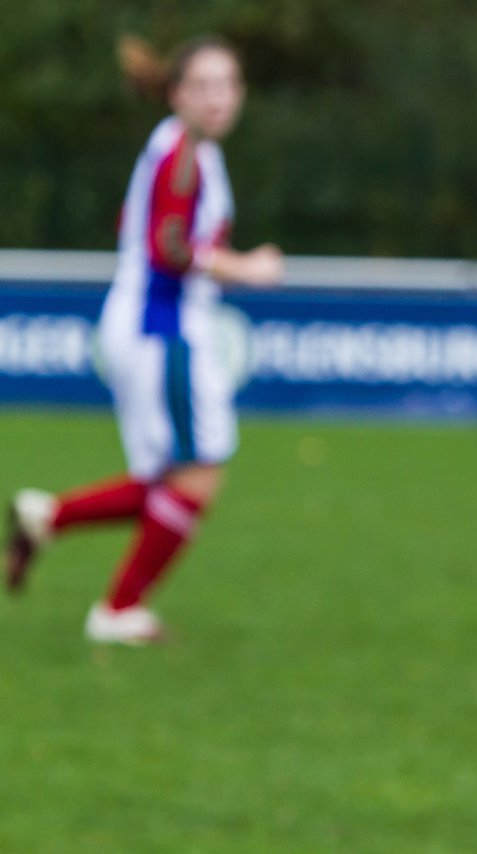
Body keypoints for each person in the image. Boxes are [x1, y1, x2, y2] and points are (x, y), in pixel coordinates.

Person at [4, 34, 283, 644]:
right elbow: (170, 247)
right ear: (177, 93)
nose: (218, 99)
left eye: (228, 85)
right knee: (198, 474)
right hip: (163, 332)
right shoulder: (182, 153)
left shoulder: (183, 150)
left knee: (171, 478)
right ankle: (119, 611)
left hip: (151, 328)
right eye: (203, 86)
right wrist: (247, 268)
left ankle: (46, 517)